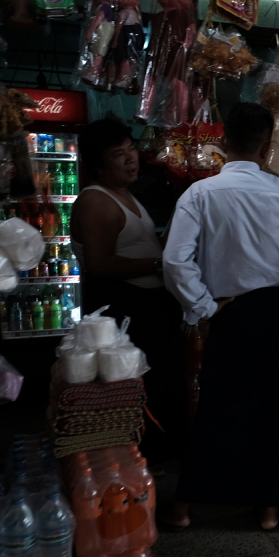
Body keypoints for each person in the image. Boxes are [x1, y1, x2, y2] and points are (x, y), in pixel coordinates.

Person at [162, 103, 279, 532]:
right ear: (268, 145)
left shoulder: (199, 194)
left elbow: (174, 261)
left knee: (218, 405)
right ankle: (269, 510)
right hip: (277, 308)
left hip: (231, 309)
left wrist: (202, 306)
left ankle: (185, 508)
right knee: (273, 409)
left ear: (222, 143)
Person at [72, 117, 185, 466]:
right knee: (134, 388)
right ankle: (136, 461)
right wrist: (157, 265)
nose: (131, 159)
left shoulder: (124, 195)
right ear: (98, 165)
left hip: (148, 304)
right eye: (119, 155)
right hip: (124, 308)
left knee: (158, 384)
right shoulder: (96, 201)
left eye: (131, 150)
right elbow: (100, 263)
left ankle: (156, 457)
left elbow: (145, 248)